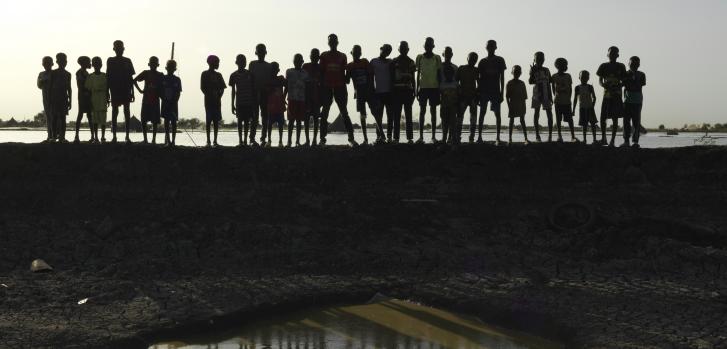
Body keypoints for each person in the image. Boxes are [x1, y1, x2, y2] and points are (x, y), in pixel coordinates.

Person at [319, 33, 357, 146]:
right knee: (324, 113)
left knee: (344, 112)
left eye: (334, 40)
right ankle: (322, 139)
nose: (332, 42)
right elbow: (321, 73)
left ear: (337, 42)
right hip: (327, 87)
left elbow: (346, 77)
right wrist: (321, 89)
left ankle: (351, 138)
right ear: (328, 43)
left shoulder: (343, 56)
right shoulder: (324, 56)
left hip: (340, 87)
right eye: (330, 41)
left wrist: (351, 75)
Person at [477, 40, 507, 145]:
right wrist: (478, 93)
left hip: (495, 91)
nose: (490, 48)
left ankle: (498, 137)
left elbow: (502, 78)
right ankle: (479, 136)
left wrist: (502, 93)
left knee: (497, 114)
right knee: (482, 113)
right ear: (486, 48)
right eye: (488, 46)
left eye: (492, 46)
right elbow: (479, 79)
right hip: (484, 91)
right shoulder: (482, 62)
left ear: (495, 48)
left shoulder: (500, 60)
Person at [596, 46, 627, 147]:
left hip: (617, 95)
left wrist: (619, 85)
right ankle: (604, 138)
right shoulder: (603, 66)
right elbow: (600, 80)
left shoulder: (621, 66)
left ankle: (612, 140)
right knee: (603, 117)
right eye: (611, 53)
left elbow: (624, 81)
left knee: (615, 117)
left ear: (617, 55)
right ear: (607, 54)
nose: (612, 55)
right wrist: (603, 85)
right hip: (606, 95)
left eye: (615, 53)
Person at [106, 40, 135, 143]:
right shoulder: (110, 60)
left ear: (123, 49)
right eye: (117, 48)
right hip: (115, 90)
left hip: (126, 89)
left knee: (126, 112)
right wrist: (107, 92)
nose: (119, 50)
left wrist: (132, 92)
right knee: (115, 112)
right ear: (114, 49)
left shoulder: (128, 61)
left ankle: (127, 136)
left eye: (121, 48)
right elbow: (108, 77)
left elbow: (131, 78)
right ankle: (114, 136)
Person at [346, 45, 375, 145]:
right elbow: (347, 81)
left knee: (375, 112)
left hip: (369, 92)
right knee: (362, 115)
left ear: (361, 54)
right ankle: (366, 139)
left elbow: (371, 76)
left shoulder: (365, 62)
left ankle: (381, 136)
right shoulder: (349, 66)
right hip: (359, 94)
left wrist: (371, 90)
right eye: (355, 52)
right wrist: (344, 71)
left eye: (358, 52)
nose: (357, 54)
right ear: (352, 53)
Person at [415, 37, 442, 143]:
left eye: (430, 45)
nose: (428, 47)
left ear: (433, 46)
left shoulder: (437, 58)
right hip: (423, 88)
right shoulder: (419, 57)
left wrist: (440, 89)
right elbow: (417, 75)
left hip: (434, 88)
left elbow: (439, 74)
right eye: (427, 45)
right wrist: (416, 89)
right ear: (424, 46)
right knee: (422, 111)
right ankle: (421, 137)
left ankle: (433, 137)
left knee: (433, 112)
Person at [134, 56, 164, 144]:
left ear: (158, 65)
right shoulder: (145, 73)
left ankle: (153, 139)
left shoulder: (160, 75)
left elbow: (163, 87)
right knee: (144, 120)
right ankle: (145, 139)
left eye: (155, 63)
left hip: (155, 101)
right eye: (152, 63)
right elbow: (134, 80)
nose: (153, 65)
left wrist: (163, 96)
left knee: (155, 121)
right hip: (146, 100)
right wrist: (140, 90)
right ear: (149, 64)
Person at [392, 41, 416, 143]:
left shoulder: (411, 62)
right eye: (401, 48)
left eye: (405, 48)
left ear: (408, 49)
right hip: (397, 92)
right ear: (398, 49)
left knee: (408, 115)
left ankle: (410, 138)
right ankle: (396, 138)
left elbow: (413, 78)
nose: (403, 50)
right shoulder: (394, 61)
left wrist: (414, 91)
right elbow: (391, 78)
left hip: (408, 92)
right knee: (396, 116)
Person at [369, 44, 394, 144]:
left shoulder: (390, 62)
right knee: (378, 116)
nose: (387, 52)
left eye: (389, 51)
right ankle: (379, 137)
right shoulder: (373, 61)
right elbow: (370, 78)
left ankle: (389, 136)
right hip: (378, 93)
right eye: (385, 50)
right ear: (381, 49)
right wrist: (372, 92)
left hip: (389, 92)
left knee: (390, 116)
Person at [229, 54, 255, 146]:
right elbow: (233, 91)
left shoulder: (250, 74)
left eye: (244, 61)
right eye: (241, 61)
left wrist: (253, 102)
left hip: (248, 102)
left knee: (247, 122)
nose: (243, 63)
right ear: (237, 62)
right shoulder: (233, 75)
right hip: (239, 102)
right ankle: (240, 141)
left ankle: (245, 141)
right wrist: (232, 104)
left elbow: (253, 89)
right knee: (240, 122)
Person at [200, 55, 226, 147]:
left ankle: (215, 140)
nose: (218, 64)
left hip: (217, 102)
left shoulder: (219, 75)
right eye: (217, 62)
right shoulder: (204, 74)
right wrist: (209, 94)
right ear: (211, 63)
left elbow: (223, 88)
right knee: (208, 121)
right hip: (208, 101)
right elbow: (202, 88)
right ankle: (208, 141)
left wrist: (219, 96)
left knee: (216, 121)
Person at [250, 44, 272, 146]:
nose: (261, 53)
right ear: (256, 53)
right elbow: (250, 79)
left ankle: (263, 138)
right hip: (254, 93)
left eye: (262, 51)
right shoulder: (252, 64)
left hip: (265, 93)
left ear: (265, 52)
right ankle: (252, 139)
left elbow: (270, 81)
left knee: (265, 117)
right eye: (259, 51)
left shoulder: (269, 66)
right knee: (254, 117)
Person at [286, 54, 310, 146]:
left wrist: (307, 101)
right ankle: (289, 141)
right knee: (291, 121)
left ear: (302, 62)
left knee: (299, 121)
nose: (298, 62)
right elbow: (286, 85)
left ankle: (297, 141)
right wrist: (284, 97)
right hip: (291, 99)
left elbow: (307, 88)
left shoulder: (305, 73)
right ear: (293, 61)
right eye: (296, 60)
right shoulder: (289, 71)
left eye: (299, 61)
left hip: (301, 100)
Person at [529, 52, 554, 142]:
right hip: (537, 93)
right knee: (537, 113)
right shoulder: (533, 69)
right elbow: (530, 81)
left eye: (541, 58)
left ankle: (550, 135)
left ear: (544, 59)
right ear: (534, 60)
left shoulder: (547, 70)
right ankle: (537, 135)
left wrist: (551, 96)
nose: (540, 60)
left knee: (549, 113)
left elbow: (550, 82)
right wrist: (532, 72)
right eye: (538, 58)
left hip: (546, 93)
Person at [551, 58, 577, 142]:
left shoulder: (568, 76)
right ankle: (559, 136)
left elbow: (570, 88)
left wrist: (569, 98)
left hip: (567, 101)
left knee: (569, 119)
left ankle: (573, 136)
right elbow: (553, 89)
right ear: (557, 66)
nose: (564, 66)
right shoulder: (554, 76)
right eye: (562, 65)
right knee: (558, 119)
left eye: (565, 65)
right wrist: (556, 96)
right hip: (558, 101)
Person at [623, 56, 646, 148]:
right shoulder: (625, 74)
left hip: (637, 101)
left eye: (636, 63)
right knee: (626, 122)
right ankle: (626, 141)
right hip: (627, 101)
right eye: (632, 63)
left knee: (636, 122)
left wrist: (630, 82)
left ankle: (635, 142)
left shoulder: (642, 74)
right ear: (628, 64)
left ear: (639, 65)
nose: (634, 65)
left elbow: (638, 86)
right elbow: (625, 85)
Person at [85, 57, 109, 143]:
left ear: (101, 65)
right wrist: (89, 102)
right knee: (94, 120)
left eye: (98, 64)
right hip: (94, 99)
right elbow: (88, 91)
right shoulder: (90, 76)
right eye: (95, 64)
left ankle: (103, 137)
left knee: (103, 119)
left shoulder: (105, 76)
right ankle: (96, 137)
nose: (97, 66)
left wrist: (107, 98)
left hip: (102, 98)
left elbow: (107, 89)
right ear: (93, 65)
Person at [49, 52, 72, 143]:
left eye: (65, 61)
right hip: (55, 97)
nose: (64, 63)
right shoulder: (53, 73)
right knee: (54, 117)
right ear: (58, 62)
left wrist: (70, 100)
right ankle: (54, 137)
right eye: (62, 61)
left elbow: (69, 88)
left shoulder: (68, 74)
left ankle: (62, 137)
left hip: (63, 98)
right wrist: (50, 99)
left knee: (63, 118)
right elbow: (50, 86)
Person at [457, 52, 479, 143]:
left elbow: (479, 83)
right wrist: (459, 93)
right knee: (459, 118)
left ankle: (471, 137)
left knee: (473, 119)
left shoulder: (476, 70)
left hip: (473, 97)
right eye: (471, 59)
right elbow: (456, 82)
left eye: (474, 59)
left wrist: (477, 95)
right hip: (463, 97)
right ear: (467, 58)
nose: (473, 61)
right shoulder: (461, 68)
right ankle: (458, 136)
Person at [302, 49, 322, 146]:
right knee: (306, 119)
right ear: (310, 56)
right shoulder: (305, 66)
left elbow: (323, 84)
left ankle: (314, 140)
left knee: (315, 119)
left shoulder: (320, 68)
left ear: (318, 57)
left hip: (317, 97)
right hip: (306, 98)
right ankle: (307, 140)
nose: (314, 57)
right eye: (313, 55)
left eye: (316, 55)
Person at [573, 71, 598, 144]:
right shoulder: (577, 87)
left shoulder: (590, 87)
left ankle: (594, 139)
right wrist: (573, 110)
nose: (584, 79)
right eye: (582, 77)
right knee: (584, 125)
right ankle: (584, 140)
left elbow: (594, 97)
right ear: (579, 78)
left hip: (590, 108)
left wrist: (592, 106)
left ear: (588, 78)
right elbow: (575, 99)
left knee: (593, 124)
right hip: (582, 108)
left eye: (586, 77)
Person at [506, 65, 529, 145]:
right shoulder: (509, 83)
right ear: (512, 72)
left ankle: (526, 138)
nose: (517, 73)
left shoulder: (522, 83)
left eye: (518, 72)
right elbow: (507, 96)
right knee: (511, 121)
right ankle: (510, 138)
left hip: (521, 104)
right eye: (515, 72)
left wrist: (524, 107)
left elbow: (525, 97)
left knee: (522, 120)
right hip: (512, 104)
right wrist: (509, 106)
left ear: (520, 73)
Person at [439, 47, 458, 144]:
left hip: (453, 95)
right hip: (443, 94)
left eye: (449, 53)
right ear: (443, 54)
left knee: (452, 118)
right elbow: (437, 80)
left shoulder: (455, 67)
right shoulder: (439, 67)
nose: (448, 55)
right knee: (444, 118)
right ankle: (444, 137)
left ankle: (451, 137)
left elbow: (457, 81)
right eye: (446, 53)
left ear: (452, 54)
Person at [161, 60, 182, 146]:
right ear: (166, 68)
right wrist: (165, 100)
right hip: (165, 103)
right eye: (169, 67)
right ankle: (168, 141)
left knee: (173, 122)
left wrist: (174, 101)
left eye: (172, 68)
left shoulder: (177, 79)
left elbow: (178, 92)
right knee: (166, 121)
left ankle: (173, 141)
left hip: (174, 103)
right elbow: (160, 91)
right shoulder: (163, 78)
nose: (171, 69)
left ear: (175, 69)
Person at [266, 62, 286, 147]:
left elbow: (287, 85)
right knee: (269, 124)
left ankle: (280, 141)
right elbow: (266, 90)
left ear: (278, 70)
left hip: (280, 105)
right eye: (272, 69)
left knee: (280, 124)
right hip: (271, 105)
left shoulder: (281, 78)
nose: (274, 71)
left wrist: (284, 97)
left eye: (275, 69)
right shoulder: (268, 80)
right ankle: (269, 140)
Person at [74, 56, 93, 143]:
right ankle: (76, 136)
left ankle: (93, 136)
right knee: (80, 115)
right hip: (82, 96)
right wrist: (85, 92)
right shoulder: (79, 72)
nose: (90, 64)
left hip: (88, 96)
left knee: (89, 116)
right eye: (88, 62)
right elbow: (80, 86)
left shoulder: (86, 73)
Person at [37, 56, 54, 142]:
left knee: (55, 116)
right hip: (46, 97)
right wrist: (43, 81)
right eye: (45, 63)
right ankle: (49, 135)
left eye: (48, 63)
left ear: (52, 64)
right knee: (48, 116)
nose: (46, 65)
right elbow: (39, 86)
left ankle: (55, 135)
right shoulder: (41, 74)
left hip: (55, 97)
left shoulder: (55, 73)